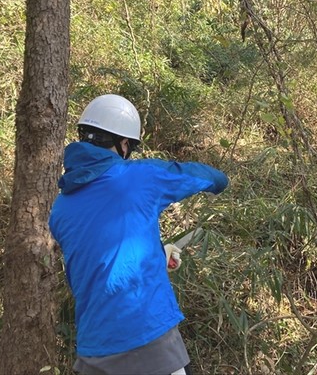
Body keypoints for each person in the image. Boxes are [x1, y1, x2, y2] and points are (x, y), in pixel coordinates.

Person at [49, 94, 229, 375]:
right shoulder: (137, 177)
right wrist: (223, 180)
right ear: (122, 144)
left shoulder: (60, 208)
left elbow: (99, 258)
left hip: (92, 348)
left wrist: (158, 253)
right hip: (145, 334)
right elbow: (207, 177)